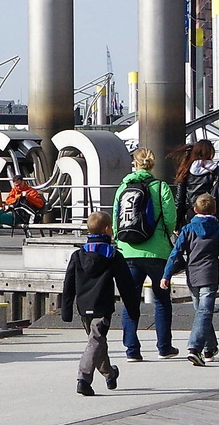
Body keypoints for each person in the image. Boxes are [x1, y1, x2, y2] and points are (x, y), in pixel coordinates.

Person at [59, 211, 142, 397]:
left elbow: (68, 284)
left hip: (83, 306)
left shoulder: (78, 255)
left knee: (95, 341)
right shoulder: (113, 256)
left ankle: (109, 373)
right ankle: (83, 378)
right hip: (102, 306)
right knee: (96, 342)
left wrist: (66, 310)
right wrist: (133, 310)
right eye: (111, 227)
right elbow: (126, 286)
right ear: (106, 230)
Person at [116, 147, 181, 360]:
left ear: (134, 163)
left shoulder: (123, 187)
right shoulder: (160, 186)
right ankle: (164, 347)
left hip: (129, 252)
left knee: (130, 300)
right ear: (152, 165)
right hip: (158, 252)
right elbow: (171, 219)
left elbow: (116, 218)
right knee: (162, 300)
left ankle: (132, 350)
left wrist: (121, 242)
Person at [163, 193, 219, 365]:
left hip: (192, 275)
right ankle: (194, 348)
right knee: (204, 313)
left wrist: (166, 275)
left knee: (202, 313)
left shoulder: (187, 229)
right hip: (210, 274)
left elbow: (175, 253)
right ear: (215, 210)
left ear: (195, 209)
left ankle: (209, 347)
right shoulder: (218, 229)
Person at [175, 139, 219, 235]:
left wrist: (177, 224)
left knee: (192, 247)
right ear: (211, 153)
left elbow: (180, 201)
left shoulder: (185, 171)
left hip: (192, 216)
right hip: (215, 216)